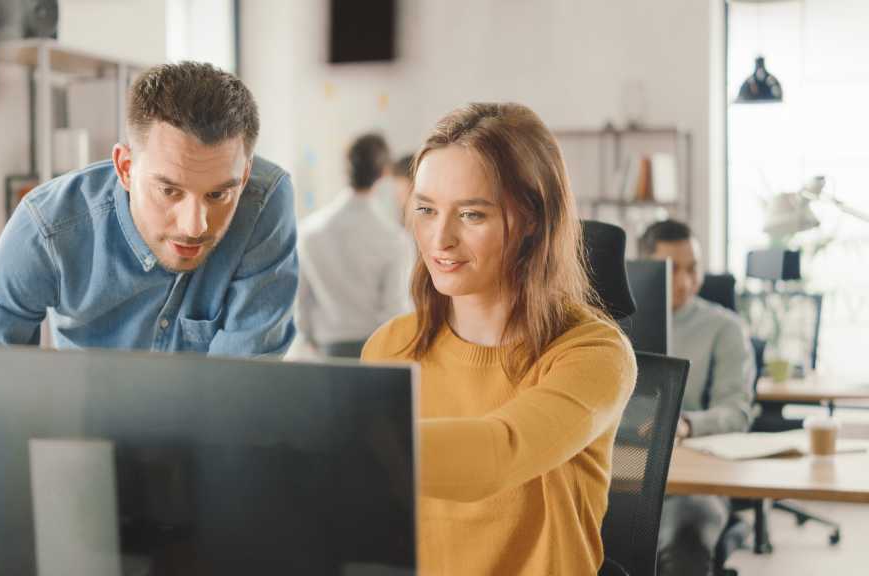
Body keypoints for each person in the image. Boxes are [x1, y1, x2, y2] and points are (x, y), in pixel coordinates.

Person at [362, 103, 636, 574]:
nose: (439, 239)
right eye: (425, 209)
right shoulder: (390, 347)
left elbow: (497, 453)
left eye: (471, 215)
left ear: (532, 219)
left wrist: (339, 441)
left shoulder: (594, 355)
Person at [0, 61, 298, 355]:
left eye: (218, 195)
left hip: (214, 430)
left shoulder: (264, 202)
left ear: (245, 174)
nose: (195, 227)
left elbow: (242, 388)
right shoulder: (48, 228)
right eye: (169, 191)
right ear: (125, 168)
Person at [639, 219, 755, 576]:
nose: (686, 282)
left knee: (683, 537)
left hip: (694, 478)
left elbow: (736, 410)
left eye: (693, 268)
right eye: (673, 270)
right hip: (624, 470)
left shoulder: (724, 327)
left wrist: (687, 424)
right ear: (644, 269)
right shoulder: (609, 325)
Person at [296, 133, 409, 358]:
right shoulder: (393, 238)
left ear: (346, 168)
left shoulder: (310, 231)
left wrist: (307, 336)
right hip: (374, 350)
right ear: (384, 172)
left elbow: (302, 301)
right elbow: (394, 309)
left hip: (325, 351)